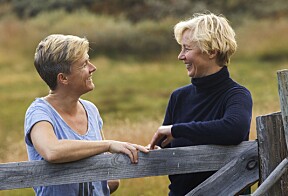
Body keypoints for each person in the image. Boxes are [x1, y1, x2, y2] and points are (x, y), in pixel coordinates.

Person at [24, 34, 149, 196]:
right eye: (84, 64)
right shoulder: (39, 112)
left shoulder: (91, 110)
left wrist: (139, 154)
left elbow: (111, 181)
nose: (92, 68)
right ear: (63, 78)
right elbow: (52, 151)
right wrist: (108, 145)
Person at [149, 13, 253, 195]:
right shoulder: (178, 97)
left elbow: (233, 129)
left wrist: (176, 130)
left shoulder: (237, 95)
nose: (180, 56)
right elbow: (167, 147)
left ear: (212, 51)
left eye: (186, 49)